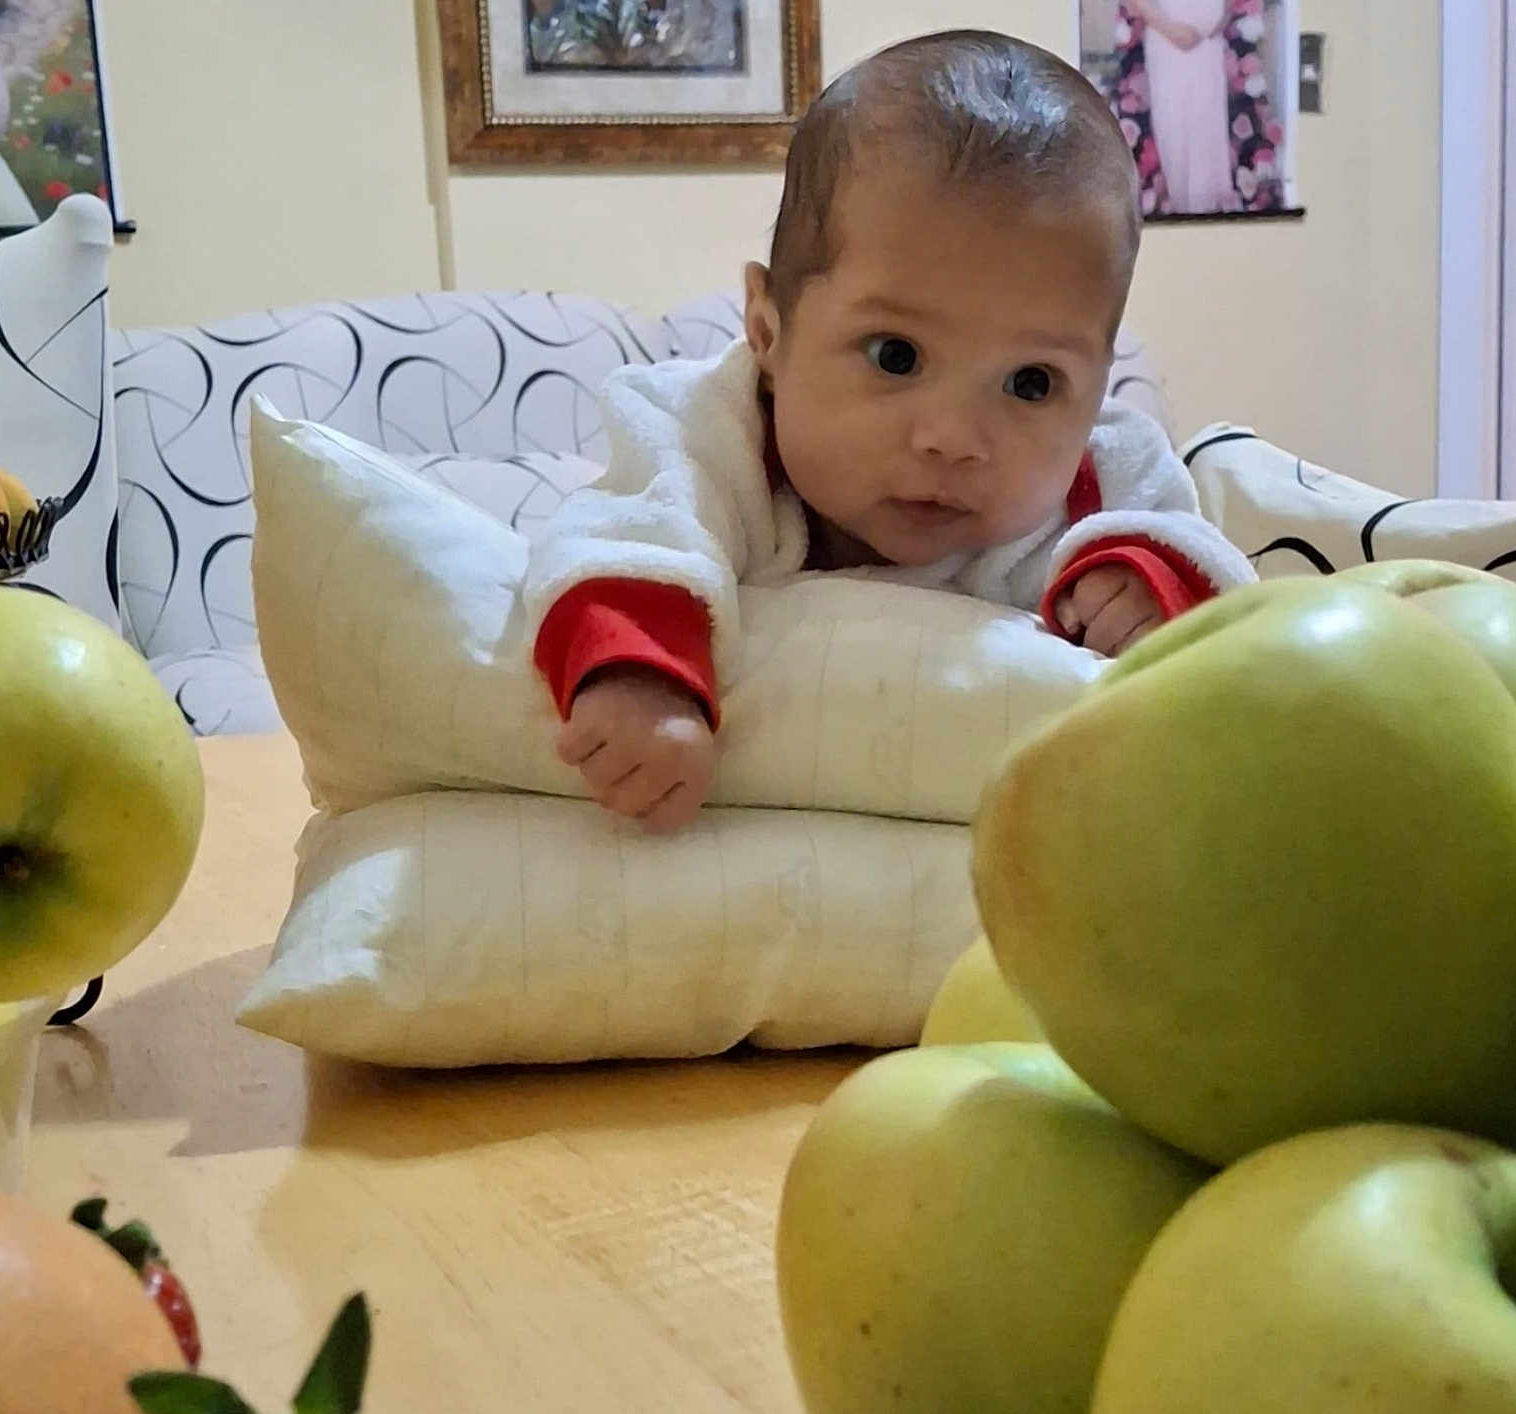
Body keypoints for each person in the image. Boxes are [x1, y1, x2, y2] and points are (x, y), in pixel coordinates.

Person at [524, 29, 1256, 833]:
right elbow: (628, 531)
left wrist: (1149, 596)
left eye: (1031, 383)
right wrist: (638, 676)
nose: (953, 437)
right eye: (896, 356)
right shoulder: (705, 429)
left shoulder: (1106, 479)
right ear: (768, 334)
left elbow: (1217, 610)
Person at [1128, 0, 1235, 214]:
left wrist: (1219, 17)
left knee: (1207, 136)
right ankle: (1186, 213)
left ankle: (1211, 215)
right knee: (1175, 132)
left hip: (1208, 49)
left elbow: (1226, 9)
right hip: (1169, 44)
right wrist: (1170, 29)